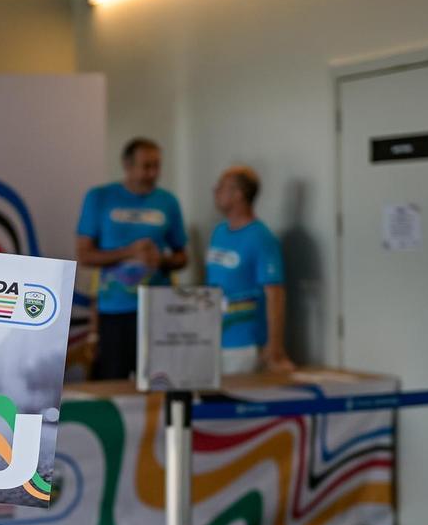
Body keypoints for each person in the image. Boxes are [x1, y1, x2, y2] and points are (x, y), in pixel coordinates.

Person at [76, 138, 188, 380]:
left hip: (159, 309)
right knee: (112, 380)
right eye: (146, 166)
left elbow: (182, 256)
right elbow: (84, 254)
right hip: (114, 310)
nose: (152, 173)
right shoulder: (100, 197)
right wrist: (129, 252)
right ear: (127, 165)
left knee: (160, 381)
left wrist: (162, 260)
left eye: (157, 166)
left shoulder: (168, 202)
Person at [207, 166, 295, 375]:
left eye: (221, 187)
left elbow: (275, 294)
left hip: (244, 344)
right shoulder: (219, 232)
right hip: (215, 339)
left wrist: (274, 347)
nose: (215, 192)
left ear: (238, 194)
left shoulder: (261, 238)